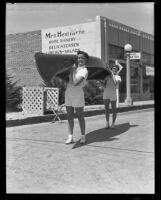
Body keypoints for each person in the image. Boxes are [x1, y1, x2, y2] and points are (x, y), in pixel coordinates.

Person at [65, 50, 89, 144]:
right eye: (78, 57)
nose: (80, 59)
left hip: (78, 95)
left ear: (86, 60)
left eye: (82, 58)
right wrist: (71, 71)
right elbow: (68, 81)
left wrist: (71, 72)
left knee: (80, 116)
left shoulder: (84, 71)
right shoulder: (74, 68)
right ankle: (70, 137)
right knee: (69, 116)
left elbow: (75, 83)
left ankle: (83, 136)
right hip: (68, 94)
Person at [100, 60, 122, 129]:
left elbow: (115, 84)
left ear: (117, 70)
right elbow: (104, 86)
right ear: (111, 69)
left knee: (113, 110)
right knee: (106, 109)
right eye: (113, 69)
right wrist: (100, 82)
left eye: (116, 69)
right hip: (106, 93)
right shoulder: (107, 77)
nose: (114, 70)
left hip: (113, 94)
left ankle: (113, 123)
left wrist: (112, 76)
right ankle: (107, 123)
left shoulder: (118, 77)